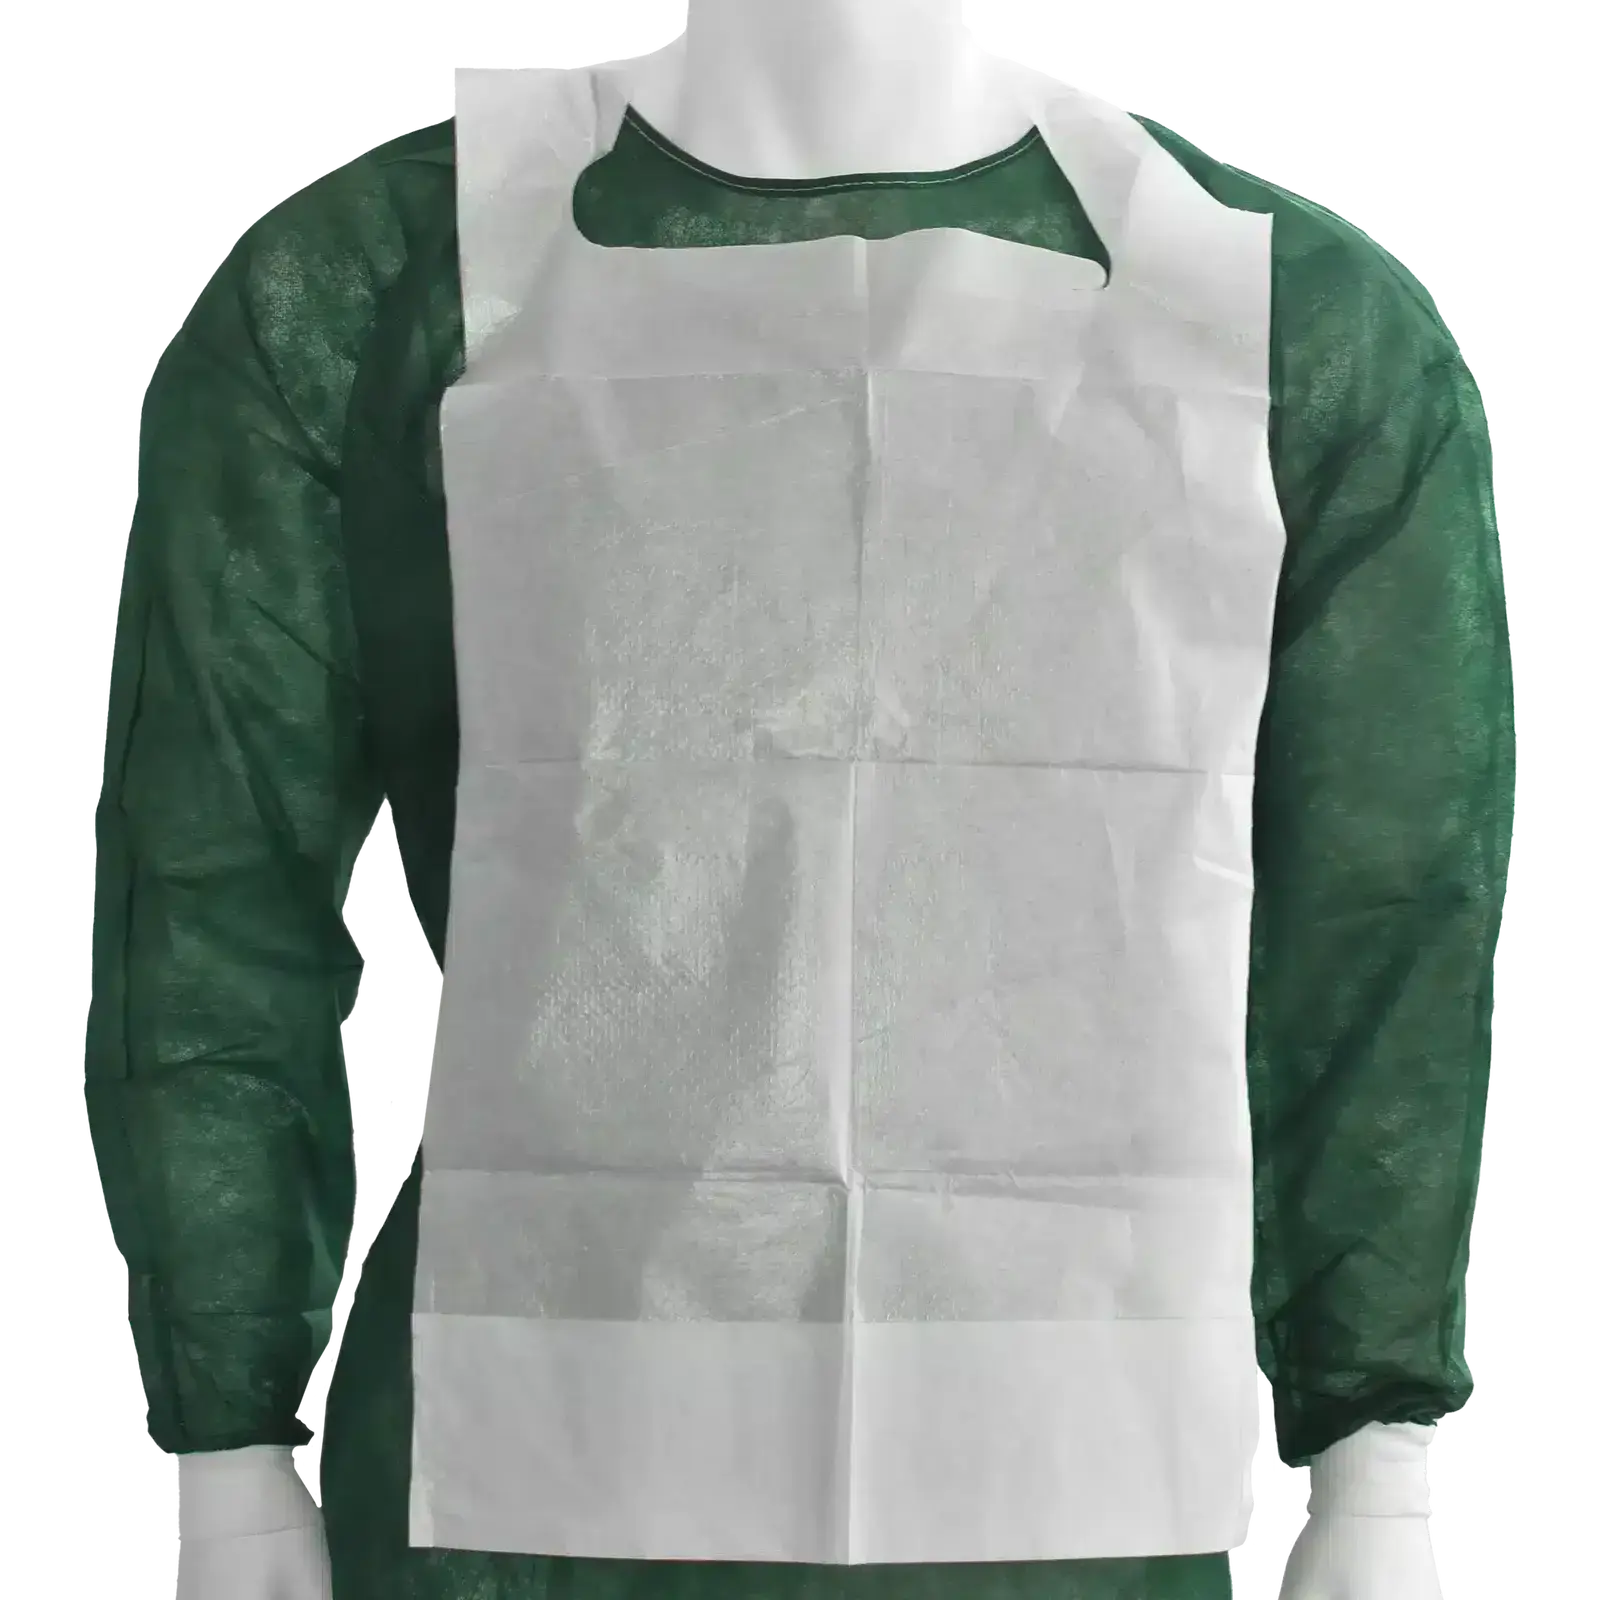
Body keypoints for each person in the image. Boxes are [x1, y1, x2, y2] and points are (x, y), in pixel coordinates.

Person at [85, 5, 1515, 1599]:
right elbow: (212, 885)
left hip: (1064, 1487)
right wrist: (226, 1449)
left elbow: (1382, 918)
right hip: (529, 1482)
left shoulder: (1284, 324)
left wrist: (1377, 1455)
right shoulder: (380, 288)